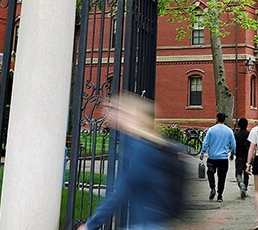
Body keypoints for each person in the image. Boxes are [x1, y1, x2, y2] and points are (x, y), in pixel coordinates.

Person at [78, 92, 184, 230]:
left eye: (114, 109)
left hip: (145, 223)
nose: (108, 113)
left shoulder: (141, 148)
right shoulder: (146, 143)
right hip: (153, 220)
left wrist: (91, 225)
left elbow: (121, 190)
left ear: (129, 115)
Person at [199, 112, 236, 202]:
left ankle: (212, 187)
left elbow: (205, 143)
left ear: (217, 119)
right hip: (223, 159)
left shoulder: (211, 130)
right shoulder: (229, 131)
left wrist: (202, 153)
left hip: (212, 158)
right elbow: (233, 145)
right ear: (224, 120)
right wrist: (232, 153)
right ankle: (220, 195)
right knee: (222, 177)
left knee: (210, 173)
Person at [233, 117, 251, 198]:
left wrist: (232, 153)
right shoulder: (249, 134)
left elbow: (234, 145)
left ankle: (241, 184)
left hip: (239, 156)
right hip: (247, 156)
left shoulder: (236, 134)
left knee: (238, 173)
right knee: (246, 174)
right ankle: (245, 188)